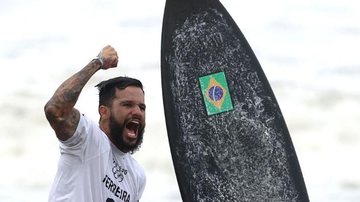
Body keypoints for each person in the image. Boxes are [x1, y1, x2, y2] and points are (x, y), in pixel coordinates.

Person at [44, 45, 146, 202]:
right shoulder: (87, 139)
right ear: (104, 111)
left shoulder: (137, 175)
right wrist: (98, 62)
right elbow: (55, 110)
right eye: (127, 105)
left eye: (142, 107)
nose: (138, 112)